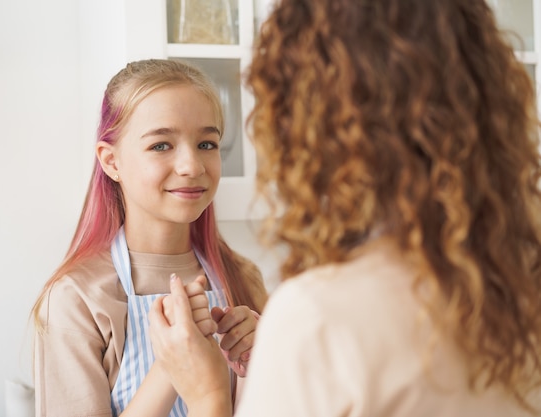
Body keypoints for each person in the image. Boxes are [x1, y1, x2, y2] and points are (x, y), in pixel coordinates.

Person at [148, 0, 541, 416]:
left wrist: (205, 393)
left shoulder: (319, 319)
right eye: (160, 144)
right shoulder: (518, 289)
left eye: (207, 143)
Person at [30, 59, 268, 417]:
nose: (192, 165)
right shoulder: (74, 300)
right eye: (161, 145)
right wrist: (172, 366)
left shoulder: (243, 277)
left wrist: (260, 361)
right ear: (111, 162)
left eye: (206, 143)